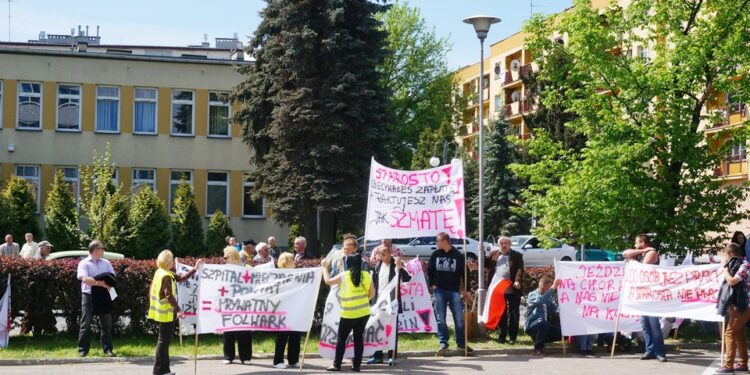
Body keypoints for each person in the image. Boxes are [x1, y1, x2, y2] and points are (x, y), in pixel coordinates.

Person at [148, 250, 202, 375]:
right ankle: (161, 370)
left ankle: (161, 369)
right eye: (171, 259)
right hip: (166, 313)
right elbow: (169, 295)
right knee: (163, 342)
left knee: (163, 341)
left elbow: (181, 278)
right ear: (167, 261)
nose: (172, 261)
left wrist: (195, 269)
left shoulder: (162, 272)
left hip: (162, 312)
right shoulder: (166, 275)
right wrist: (179, 310)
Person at [322, 250, 374, 372]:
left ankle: (337, 364)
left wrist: (324, 267)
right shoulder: (367, 275)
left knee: (342, 339)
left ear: (348, 263)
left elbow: (328, 281)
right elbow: (372, 294)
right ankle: (357, 366)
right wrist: (361, 301)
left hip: (348, 313)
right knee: (358, 338)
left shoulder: (344, 275)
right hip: (364, 312)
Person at [623, 233, 666, 362]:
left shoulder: (652, 253)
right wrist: (641, 251)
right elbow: (625, 253)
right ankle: (649, 350)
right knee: (645, 325)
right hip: (642, 295)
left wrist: (633, 260)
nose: (635, 245)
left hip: (652, 294)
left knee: (654, 325)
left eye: (637, 242)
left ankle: (660, 352)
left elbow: (642, 268)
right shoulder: (642, 252)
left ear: (643, 242)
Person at [428, 232, 472, 354]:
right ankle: (443, 344)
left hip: (454, 291)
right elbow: (430, 270)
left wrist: (467, 290)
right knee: (440, 319)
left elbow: (465, 273)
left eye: (438, 241)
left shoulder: (458, 255)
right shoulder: (435, 254)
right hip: (439, 291)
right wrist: (432, 284)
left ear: (445, 241)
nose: (436, 243)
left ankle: (461, 344)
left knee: (458, 319)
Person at [367, 245, 411, 366]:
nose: (382, 256)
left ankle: (392, 356)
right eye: (380, 254)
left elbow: (407, 278)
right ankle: (377, 356)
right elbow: (374, 283)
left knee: (391, 330)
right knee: (378, 328)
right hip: (379, 302)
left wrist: (400, 267)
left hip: (392, 302)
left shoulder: (396, 264)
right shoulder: (378, 265)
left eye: (385, 253)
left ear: (390, 253)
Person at [77, 240, 116, 357]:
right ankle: (83, 350)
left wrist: (106, 284)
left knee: (106, 324)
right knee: (86, 323)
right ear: (95, 250)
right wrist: (101, 283)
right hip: (89, 296)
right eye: (102, 248)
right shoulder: (84, 263)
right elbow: (84, 279)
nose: (103, 250)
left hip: (104, 295)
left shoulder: (106, 263)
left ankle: (108, 349)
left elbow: (113, 277)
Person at [715, 243, 750, 374]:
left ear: (731, 254)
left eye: (725, 255)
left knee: (729, 333)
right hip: (738, 305)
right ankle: (742, 362)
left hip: (743, 305)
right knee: (739, 334)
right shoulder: (736, 264)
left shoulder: (744, 265)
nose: (725, 258)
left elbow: (732, 281)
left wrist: (725, 268)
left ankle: (728, 365)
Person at [485, 236, 525, 344]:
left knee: (514, 313)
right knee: (501, 313)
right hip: (499, 289)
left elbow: (520, 270)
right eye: (501, 243)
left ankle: (512, 337)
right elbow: (485, 263)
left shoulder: (517, 255)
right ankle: (501, 336)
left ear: (509, 244)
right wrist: (480, 252)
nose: (503, 245)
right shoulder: (494, 254)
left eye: (505, 243)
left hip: (512, 289)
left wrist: (517, 281)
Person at [221, 247, 252, 365]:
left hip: (244, 304)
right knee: (229, 331)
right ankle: (228, 356)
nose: (224, 259)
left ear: (232, 257)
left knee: (244, 331)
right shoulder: (223, 270)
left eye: (225, 257)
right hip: (229, 304)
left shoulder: (246, 268)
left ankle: (246, 357)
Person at [273, 253, 301, 369]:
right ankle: (277, 361)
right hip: (283, 310)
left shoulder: (297, 274)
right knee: (282, 336)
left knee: (295, 335)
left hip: (295, 308)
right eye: (292, 259)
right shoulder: (277, 275)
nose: (294, 261)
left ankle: (293, 359)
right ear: (287, 261)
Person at [524, 275, 561, 356]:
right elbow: (541, 300)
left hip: (544, 326)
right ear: (543, 286)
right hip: (532, 326)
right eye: (549, 287)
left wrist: (563, 311)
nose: (550, 289)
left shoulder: (549, 298)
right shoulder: (532, 295)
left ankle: (540, 339)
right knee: (543, 323)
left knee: (562, 332)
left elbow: (556, 308)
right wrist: (553, 287)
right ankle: (537, 348)